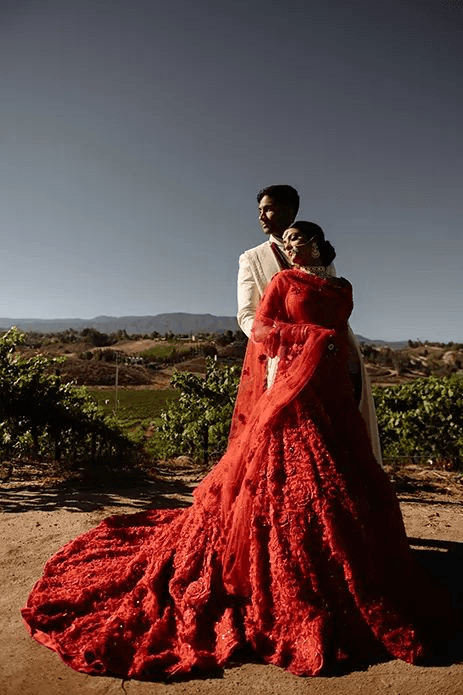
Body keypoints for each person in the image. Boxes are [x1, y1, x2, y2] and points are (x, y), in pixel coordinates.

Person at [21, 222, 451, 681]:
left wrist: (346, 375)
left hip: (332, 391)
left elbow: (343, 333)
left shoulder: (343, 285)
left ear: (318, 242)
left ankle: (358, 579)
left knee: (349, 480)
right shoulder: (283, 282)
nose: (289, 248)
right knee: (288, 484)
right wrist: (307, 337)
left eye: (296, 240)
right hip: (291, 389)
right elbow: (263, 329)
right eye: (285, 244)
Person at [237, 185, 382, 465]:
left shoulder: (316, 251)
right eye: (259, 211)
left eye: (268, 209)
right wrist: (279, 346)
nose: (261, 216)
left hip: (330, 355)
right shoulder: (252, 258)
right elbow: (247, 315)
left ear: (290, 211)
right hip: (280, 359)